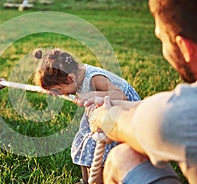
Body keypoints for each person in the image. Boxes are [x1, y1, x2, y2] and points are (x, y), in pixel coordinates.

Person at [86, 0, 197, 183]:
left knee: (122, 157)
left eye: (161, 39)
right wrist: (123, 105)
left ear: (184, 47)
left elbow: (120, 123)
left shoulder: (183, 115)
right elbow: (148, 110)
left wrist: (101, 115)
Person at [33, 48, 140, 184]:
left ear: (70, 78)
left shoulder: (95, 78)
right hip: (99, 107)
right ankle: (86, 180)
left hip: (120, 108)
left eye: (58, 91)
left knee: (94, 144)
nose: (59, 95)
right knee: (83, 138)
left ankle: (97, 180)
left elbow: (121, 96)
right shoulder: (74, 78)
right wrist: (53, 90)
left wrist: (92, 95)